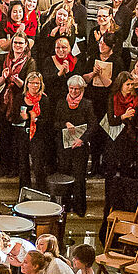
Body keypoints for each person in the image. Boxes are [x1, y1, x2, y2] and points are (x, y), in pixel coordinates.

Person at [53, 76, 97, 215]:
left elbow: (93, 125)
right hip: (64, 147)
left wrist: (82, 140)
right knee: (64, 176)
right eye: (71, 88)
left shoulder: (87, 104)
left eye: (76, 89)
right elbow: (54, 123)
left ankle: (79, 208)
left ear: (82, 89)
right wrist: (65, 124)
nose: (73, 91)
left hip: (80, 147)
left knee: (79, 178)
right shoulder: (61, 103)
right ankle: (65, 206)